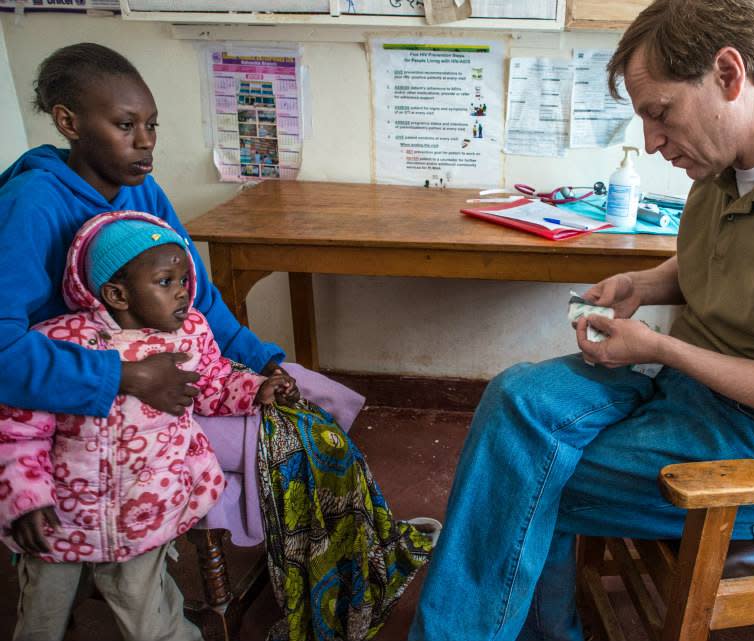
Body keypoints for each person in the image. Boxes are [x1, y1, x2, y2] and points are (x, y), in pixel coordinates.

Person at [408, 1, 754, 640]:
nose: (654, 141)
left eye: (660, 113)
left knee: (520, 477)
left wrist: (663, 349)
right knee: (516, 399)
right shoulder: (725, 159)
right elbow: (725, 261)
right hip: (692, 395)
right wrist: (648, 282)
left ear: (728, 72)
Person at [0, 43, 437, 640]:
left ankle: (357, 552)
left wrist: (265, 361)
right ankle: (324, 581)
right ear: (68, 121)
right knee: (301, 443)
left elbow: (199, 298)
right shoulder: (31, 204)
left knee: (322, 401)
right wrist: (126, 378)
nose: (145, 142)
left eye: (151, 125)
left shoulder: (141, 193)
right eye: (125, 126)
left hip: (171, 378)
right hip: (89, 406)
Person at [0, 212, 298, 641]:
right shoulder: (61, 343)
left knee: (151, 619)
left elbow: (213, 383)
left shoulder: (191, 334)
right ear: (117, 294)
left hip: (145, 513)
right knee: (42, 621)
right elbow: (20, 430)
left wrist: (255, 389)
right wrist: (25, 499)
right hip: (60, 519)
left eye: (183, 280)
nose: (183, 293)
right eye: (165, 282)